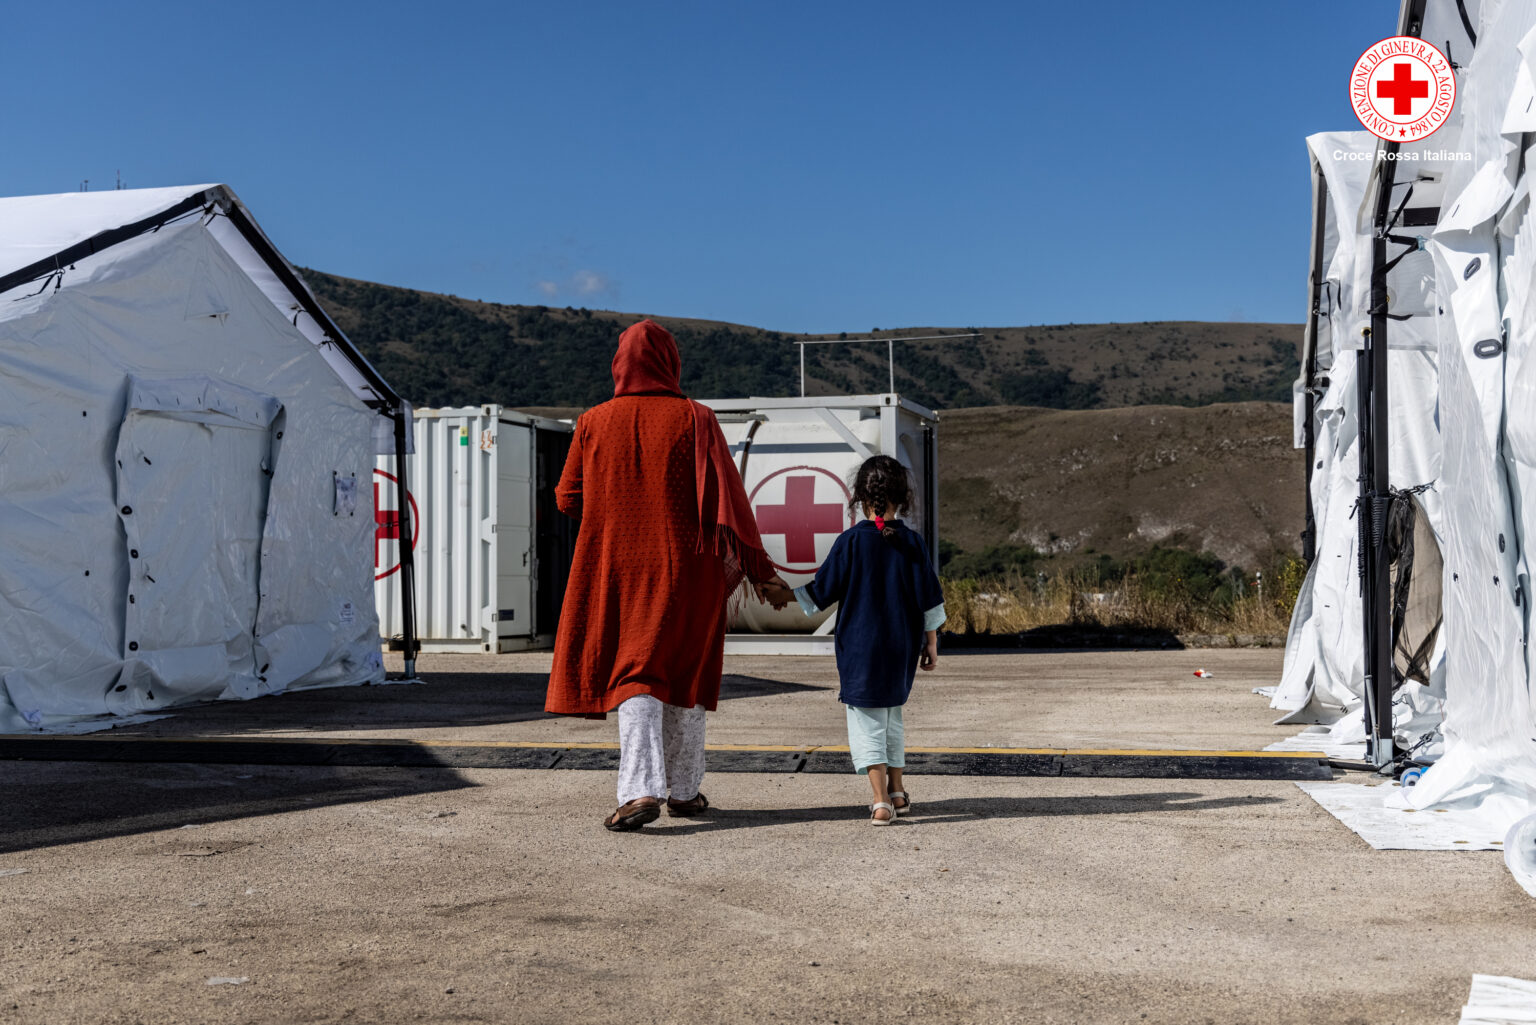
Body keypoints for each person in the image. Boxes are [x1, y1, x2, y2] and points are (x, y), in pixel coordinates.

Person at [545, 319, 788, 831]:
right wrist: (762, 574)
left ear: (619, 364)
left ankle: (639, 791)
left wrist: (614, 506)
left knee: (635, 673)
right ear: (670, 363)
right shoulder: (697, 418)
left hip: (618, 568)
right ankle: (684, 790)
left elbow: (567, 498)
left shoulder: (591, 422)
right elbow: (730, 505)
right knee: (686, 674)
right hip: (689, 570)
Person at [762, 455, 945, 825]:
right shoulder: (912, 543)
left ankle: (880, 802)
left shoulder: (850, 542)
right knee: (892, 716)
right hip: (901, 648)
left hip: (861, 651)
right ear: (902, 498)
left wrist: (783, 595)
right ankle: (897, 791)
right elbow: (930, 599)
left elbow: (821, 591)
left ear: (861, 498)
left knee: (867, 723)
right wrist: (931, 642)